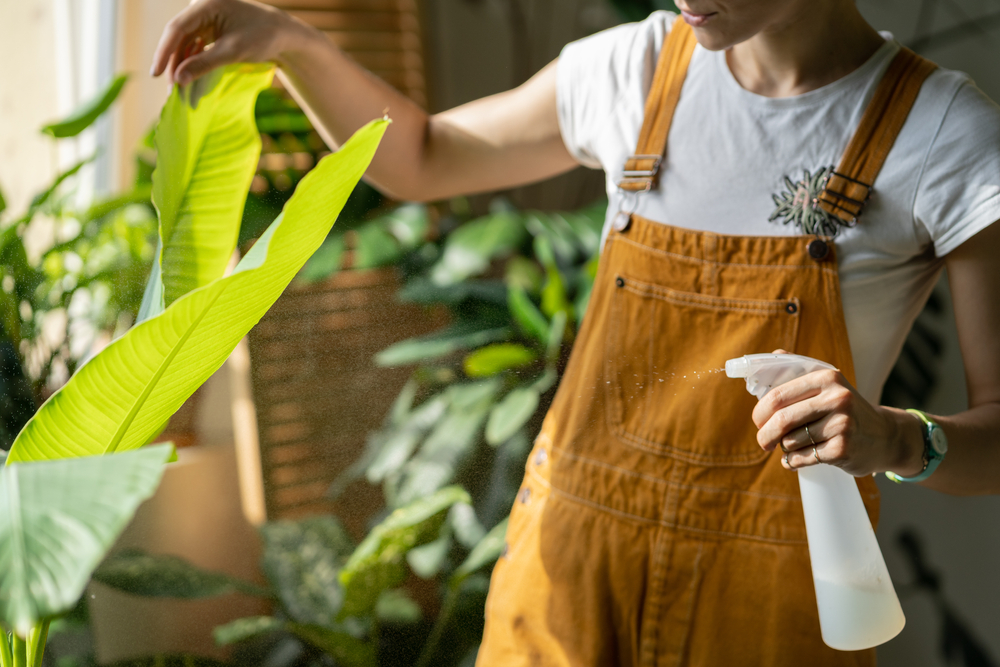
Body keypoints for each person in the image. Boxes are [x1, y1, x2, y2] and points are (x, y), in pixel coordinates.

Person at [153, 0, 1000, 664]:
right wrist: (293, 41)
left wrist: (896, 436)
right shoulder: (634, 69)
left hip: (763, 601)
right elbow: (420, 155)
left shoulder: (941, 133)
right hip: (567, 572)